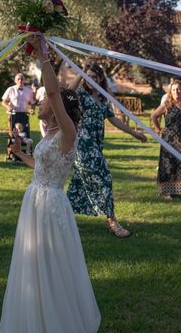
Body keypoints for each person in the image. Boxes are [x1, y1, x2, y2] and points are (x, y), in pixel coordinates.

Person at [0, 36, 100, 333]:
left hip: (51, 204)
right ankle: (36, 315)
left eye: (42, 101)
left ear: (56, 108)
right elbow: (42, 167)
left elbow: (55, 92)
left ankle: (56, 319)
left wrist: (43, 54)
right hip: (35, 199)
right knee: (32, 260)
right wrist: (20, 154)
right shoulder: (50, 133)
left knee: (51, 261)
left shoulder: (67, 132)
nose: (39, 102)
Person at [67, 62, 147, 238]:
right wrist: (81, 73)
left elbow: (113, 119)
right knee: (105, 178)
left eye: (94, 77)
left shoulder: (102, 97)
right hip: (82, 144)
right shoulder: (80, 93)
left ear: (101, 78)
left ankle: (64, 221)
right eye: (88, 77)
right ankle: (112, 221)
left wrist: (134, 133)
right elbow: (68, 91)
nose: (91, 80)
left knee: (79, 182)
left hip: (95, 144)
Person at [1, 73, 36, 138]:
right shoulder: (10, 89)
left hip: (24, 114)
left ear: (24, 80)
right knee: (12, 131)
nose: (20, 80)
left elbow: (33, 103)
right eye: (18, 79)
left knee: (25, 131)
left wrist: (32, 109)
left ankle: (25, 144)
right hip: (13, 113)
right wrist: (8, 107)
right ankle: (12, 145)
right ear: (15, 81)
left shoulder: (29, 91)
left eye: (22, 79)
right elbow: (3, 102)